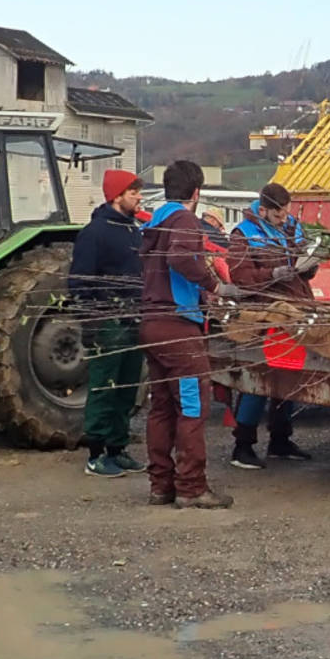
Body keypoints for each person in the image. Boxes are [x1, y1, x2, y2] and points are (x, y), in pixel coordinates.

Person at [140, 159, 244, 508]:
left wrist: (201, 294)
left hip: (152, 320)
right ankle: (191, 487)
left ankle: (161, 485)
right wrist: (214, 284)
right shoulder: (183, 219)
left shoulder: (155, 219)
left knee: (162, 408)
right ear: (196, 192)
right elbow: (180, 258)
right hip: (176, 326)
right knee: (192, 404)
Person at [225, 182, 315, 469]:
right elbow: (241, 277)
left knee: (287, 374)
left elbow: (304, 264)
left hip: (292, 311)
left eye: (287, 214)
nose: (284, 220)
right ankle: (243, 444)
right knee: (259, 377)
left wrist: (310, 263)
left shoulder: (293, 227)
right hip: (263, 313)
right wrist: (273, 273)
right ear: (262, 210)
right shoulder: (243, 236)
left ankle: (280, 439)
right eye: (278, 216)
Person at [68, 170, 147, 479]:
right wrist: (90, 319)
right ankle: (96, 454)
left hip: (133, 317)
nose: (139, 197)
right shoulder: (95, 233)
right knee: (104, 386)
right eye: (133, 192)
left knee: (127, 385)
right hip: (108, 319)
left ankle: (118, 447)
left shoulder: (133, 229)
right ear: (116, 196)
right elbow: (80, 279)